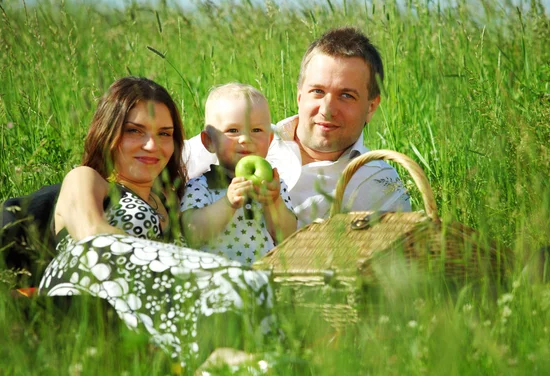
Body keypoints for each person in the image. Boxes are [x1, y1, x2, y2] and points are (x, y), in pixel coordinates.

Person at [38, 77, 275, 367]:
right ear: (108, 131)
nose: (152, 145)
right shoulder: (87, 178)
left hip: (151, 320)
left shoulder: (172, 201)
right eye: (134, 131)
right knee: (243, 284)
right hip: (87, 299)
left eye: (164, 134)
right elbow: (93, 238)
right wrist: (220, 276)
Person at [184, 27, 411, 228]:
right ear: (300, 95)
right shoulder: (239, 138)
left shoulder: (378, 182)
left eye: (346, 95)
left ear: (371, 107)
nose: (327, 109)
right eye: (318, 92)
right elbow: (159, 169)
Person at [180, 83, 297, 265]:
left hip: (263, 280)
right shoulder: (203, 184)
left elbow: (289, 236)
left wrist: (273, 203)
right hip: (217, 280)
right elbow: (192, 233)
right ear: (209, 141)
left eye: (256, 130)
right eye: (233, 131)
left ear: (270, 139)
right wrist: (228, 203)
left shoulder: (273, 185)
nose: (246, 139)